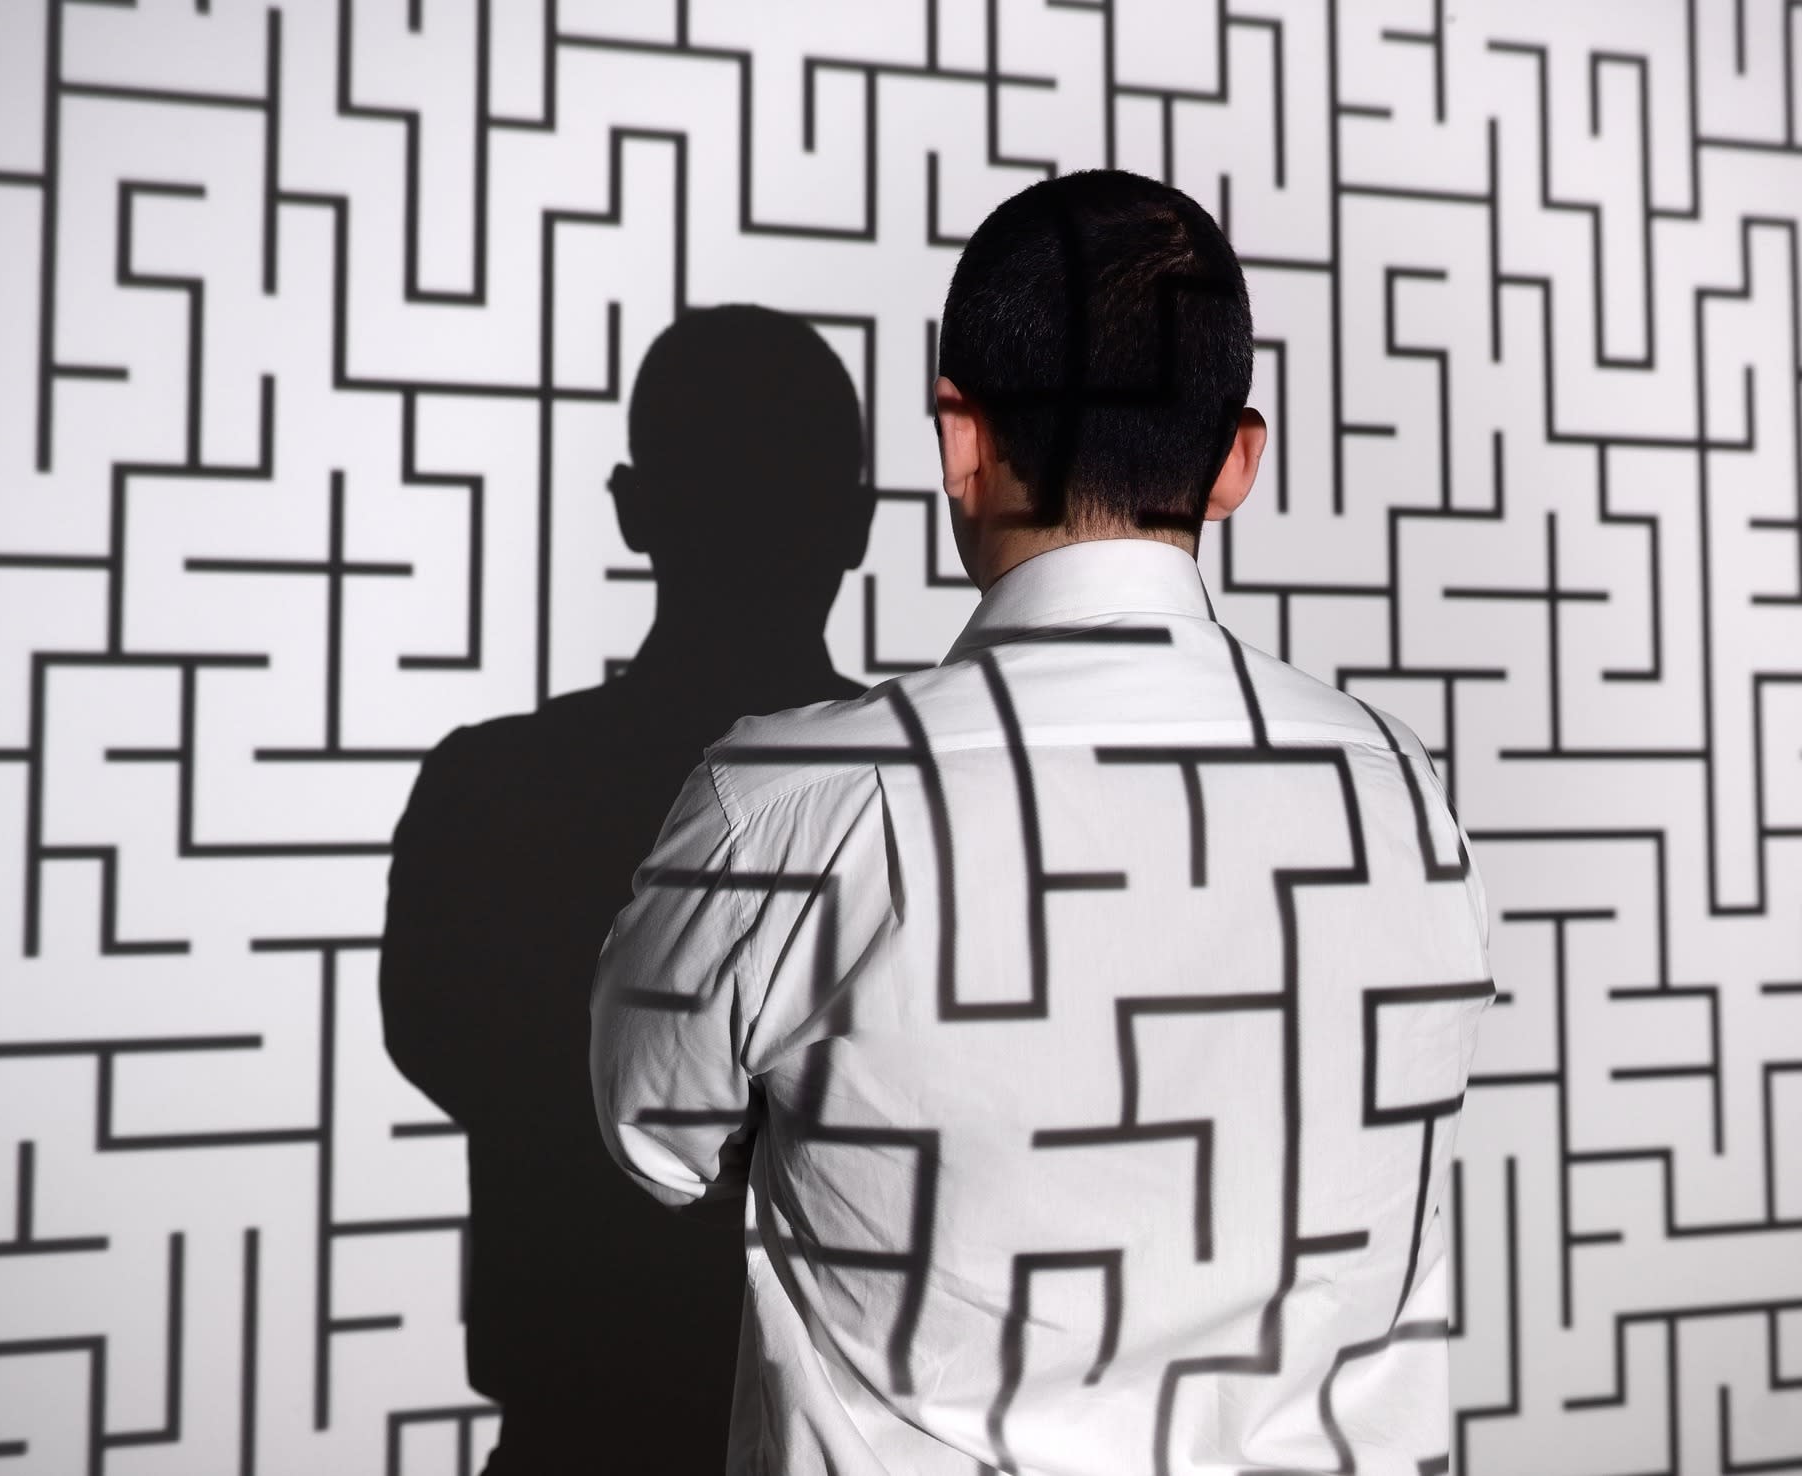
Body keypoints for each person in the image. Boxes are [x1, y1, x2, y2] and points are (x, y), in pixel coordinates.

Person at [587, 169, 1496, 1475]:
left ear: (961, 439)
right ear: (1241, 459)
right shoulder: (1408, 796)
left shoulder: (790, 810)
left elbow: (654, 1144)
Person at [380, 305, 875, 1472]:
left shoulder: (489, 791)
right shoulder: (928, 806)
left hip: (575, 1422)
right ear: (855, 528)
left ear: (633, 508)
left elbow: (445, 1047)